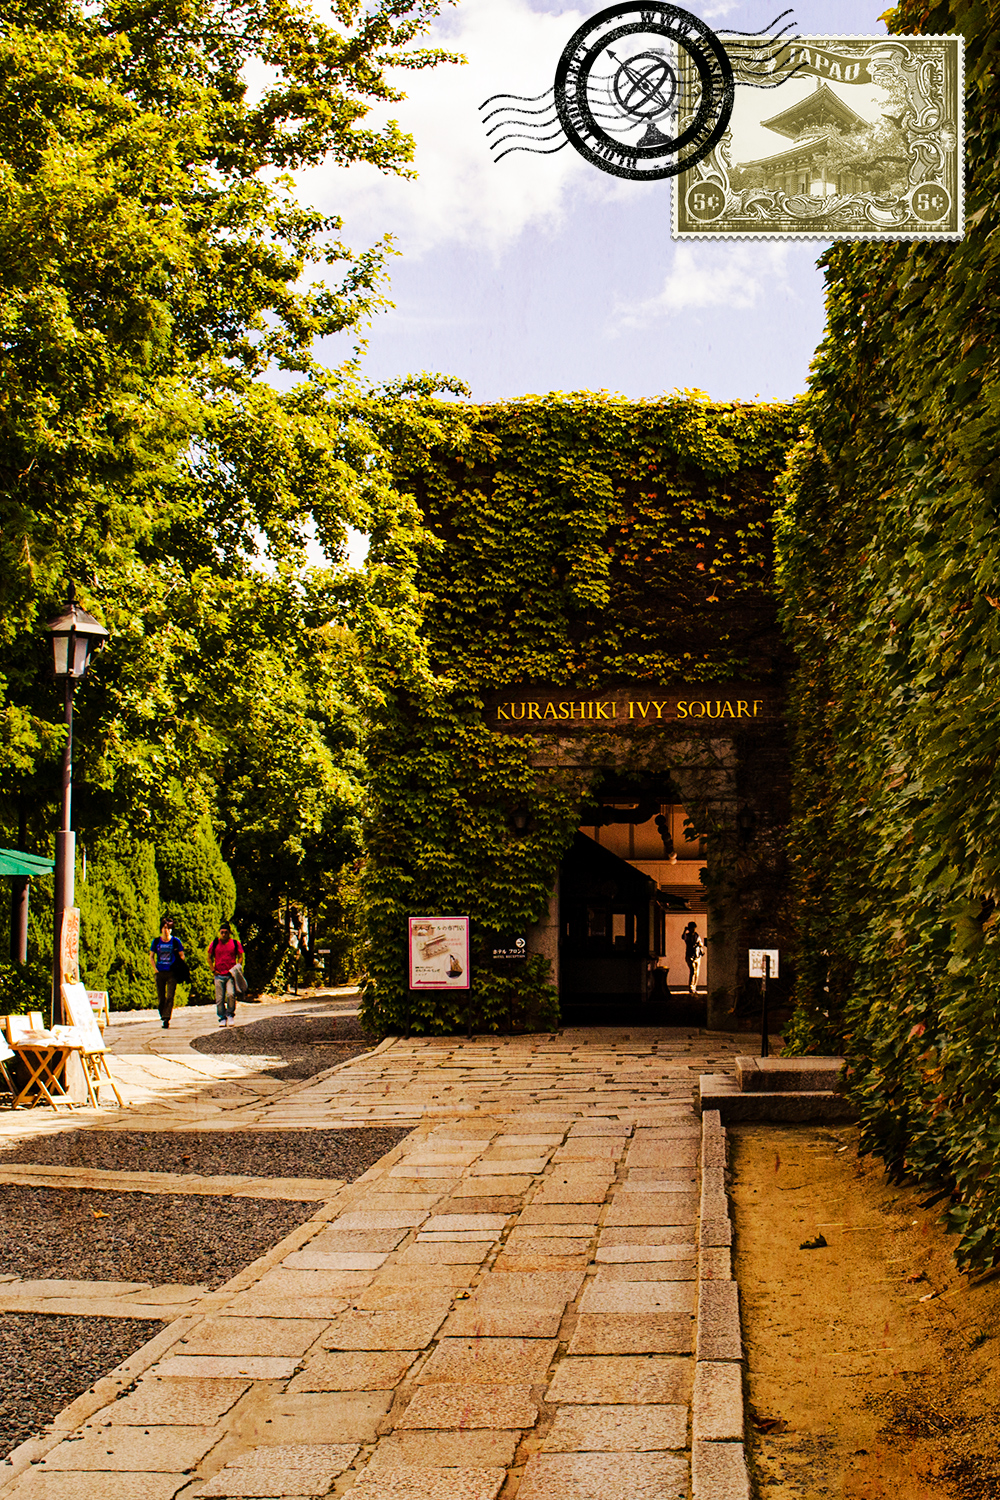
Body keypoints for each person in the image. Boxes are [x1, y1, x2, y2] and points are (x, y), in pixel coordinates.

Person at [148, 917, 185, 1028]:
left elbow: (181, 955)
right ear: (161, 929)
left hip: (171, 972)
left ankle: (166, 1017)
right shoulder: (156, 941)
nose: (166, 930)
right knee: (161, 997)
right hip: (160, 972)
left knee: (170, 996)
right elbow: (151, 956)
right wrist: (155, 969)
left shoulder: (175, 941)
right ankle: (162, 1013)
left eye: (169, 928)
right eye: (165, 928)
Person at [207, 922, 244, 1027]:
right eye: (222, 932)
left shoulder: (235, 943)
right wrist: (213, 969)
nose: (223, 935)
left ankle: (230, 1014)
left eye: (226, 933)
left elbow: (240, 956)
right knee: (219, 998)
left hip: (230, 975)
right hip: (218, 974)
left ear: (229, 933)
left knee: (231, 994)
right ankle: (222, 1017)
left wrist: (237, 967)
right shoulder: (215, 943)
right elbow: (209, 957)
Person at [682, 921, 706, 994]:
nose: (693, 930)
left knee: (696, 972)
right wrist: (684, 930)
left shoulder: (696, 935)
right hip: (690, 956)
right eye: (692, 928)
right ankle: (691, 987)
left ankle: (694, 987)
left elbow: (700, 943)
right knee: (692, 971)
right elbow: (683, 937)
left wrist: (701, 949)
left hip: (697, 955)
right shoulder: (687, 936)